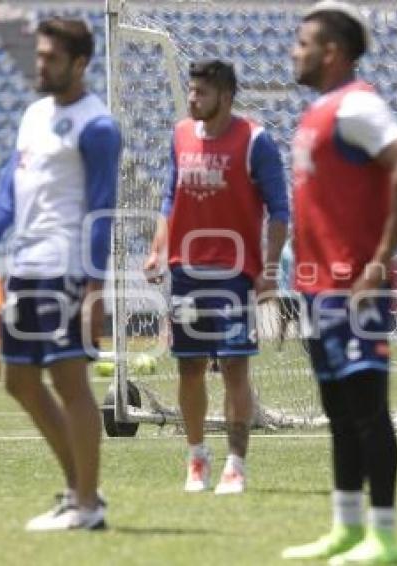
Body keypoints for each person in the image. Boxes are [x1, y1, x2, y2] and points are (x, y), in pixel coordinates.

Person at [0, 18, 121, 530]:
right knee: (19, 381)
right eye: (39, 55)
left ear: (79, 64)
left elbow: (102, 208)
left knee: (71, 384)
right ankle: (81, 491)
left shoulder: (98, 126)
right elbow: (7, 194)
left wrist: (94, 287)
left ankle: (86, 506)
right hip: (25, 268)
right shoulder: (33, 115)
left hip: (64, 270)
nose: (40, 63)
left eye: (50, 57)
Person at [281, 2, 397, 563]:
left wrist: (379, 260)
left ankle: (384, 537)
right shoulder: (318, 110)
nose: (294, 52)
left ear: (331, 51)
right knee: (339, 412)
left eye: (302, 43)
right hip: (316, 288)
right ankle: (345, 527)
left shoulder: (357, 104)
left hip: (352, 285)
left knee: (369, 411)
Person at [143, 59, 289, 495]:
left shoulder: (255, 141)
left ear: (225, 97)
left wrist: (268, 269)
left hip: (235, 276)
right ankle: (196, 458)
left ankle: (236, 464)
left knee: (233, 367)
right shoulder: (180, 134)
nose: (192, 98)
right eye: (190, 90)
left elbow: (279, 210)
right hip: (185, 272)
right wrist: (157, 249)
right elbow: (171, 196)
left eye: (201, 92)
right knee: (188, 368)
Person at [276, 235, 300, 352]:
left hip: (294, 292)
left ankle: (302, 347)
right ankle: (280, 347)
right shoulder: (286, 252)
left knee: (297, 321)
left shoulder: (287, 250)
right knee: (284, 321)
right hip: (286, 292)